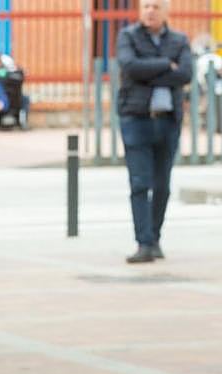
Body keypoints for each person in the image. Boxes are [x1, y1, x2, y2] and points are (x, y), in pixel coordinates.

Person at [116, 0, 192, 263]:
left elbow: (185, 74)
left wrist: (148, 70)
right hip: (136, 119)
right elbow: (130, 67)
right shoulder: (128, 36)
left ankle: (155, 238)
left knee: (162, 186)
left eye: (156, 6)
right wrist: (165, 65)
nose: (150, 11)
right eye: (146, 5)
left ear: (166, 11)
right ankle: (144, 243)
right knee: (140, 183)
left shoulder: (180, 40)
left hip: (168, 122)